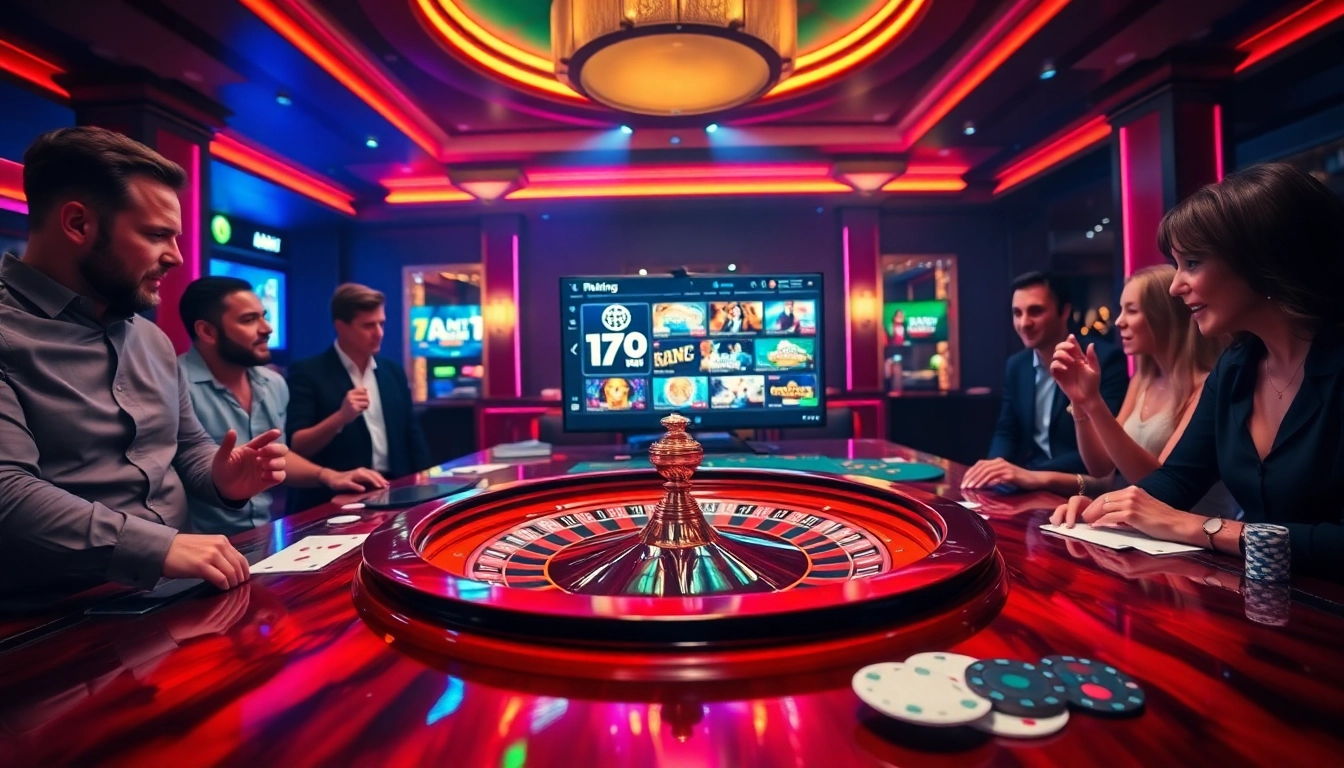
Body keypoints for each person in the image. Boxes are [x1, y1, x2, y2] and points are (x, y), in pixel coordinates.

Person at [0, 127, 285, 606]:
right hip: (55, 618)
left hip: (177, 595)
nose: (175, 256)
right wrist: (160, 546)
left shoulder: (151, 339)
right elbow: (8, 493)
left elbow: (184, 446)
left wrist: (222, 480)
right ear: (78, 224)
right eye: (156, 235)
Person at [1051, 163, 1344, 582]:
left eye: (1192, 262)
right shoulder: (1237, 367)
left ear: (1263, 259)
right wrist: (1112, 506)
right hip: (1267, 608)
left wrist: (1204, 528)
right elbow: (1177, 478)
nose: (1175, 286)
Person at [178, 277, 388, 536]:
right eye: (248, 320)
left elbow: (278, 455)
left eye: (263, 317)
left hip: (263, 535)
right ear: (207, 332)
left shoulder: (273, 383)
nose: (267, 328)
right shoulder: (173, 385)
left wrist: (330, 476)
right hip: (197, 550)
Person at [1049, 265, 1235, 513]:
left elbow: (1162, 484)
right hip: (1145, 530)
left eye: (1131, 311)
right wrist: (1081, 400)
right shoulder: (1142, 380)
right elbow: (1101, 466)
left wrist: (1094, 402)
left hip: (1194, 536)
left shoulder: (1206, 385)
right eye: (1120, 310)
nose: (1118, 321)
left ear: (1165, 315)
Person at [962, 271, 1128, 491]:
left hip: (1084, 487)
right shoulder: (1017, 365)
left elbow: (1108, 448)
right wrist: (993, 470)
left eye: (1036, 311)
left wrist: (1030, 475)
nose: (1024, 323)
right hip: (1033, 484)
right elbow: (1007, 431)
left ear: (1064, 312)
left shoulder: (1102, 361)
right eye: (1017, 313)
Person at [286, 283, 431, 511]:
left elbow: (412, 436)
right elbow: (297, 447)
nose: (379, 333)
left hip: (396, 491)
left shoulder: (392, 371)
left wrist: (427, 487)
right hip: (333, 500)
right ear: (341, 327)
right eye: (368, 325)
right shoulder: (308, 373)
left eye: (381, 323)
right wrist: (341, 417)